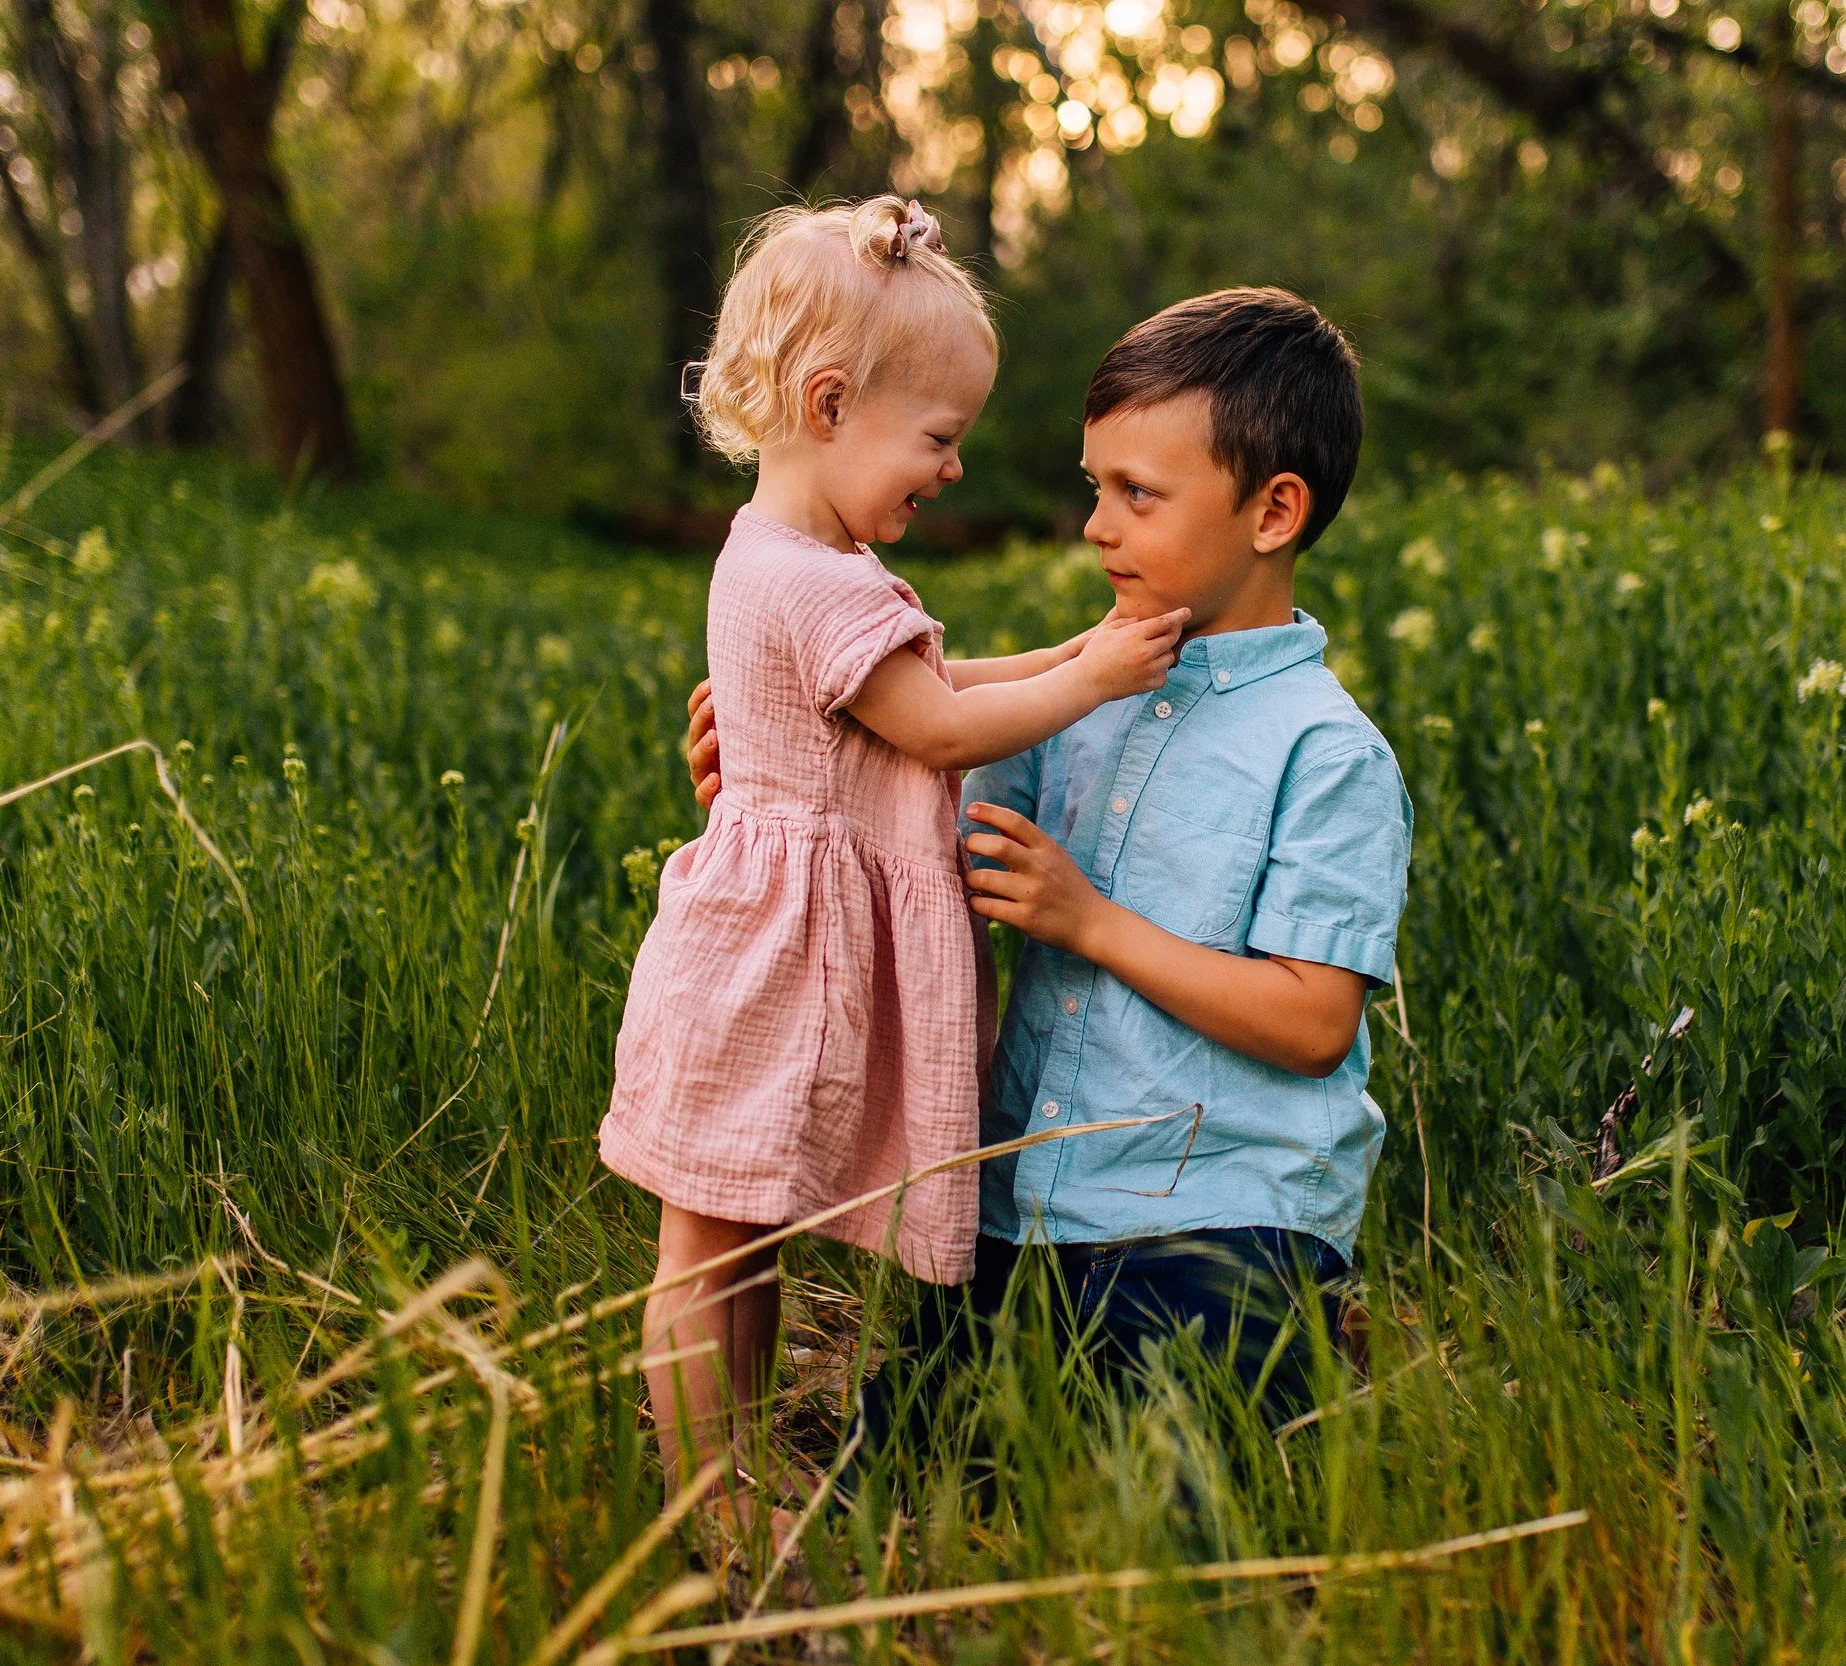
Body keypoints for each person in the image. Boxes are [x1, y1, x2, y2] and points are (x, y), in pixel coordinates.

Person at [685, 287, 1412, 1469]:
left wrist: (1089, 921)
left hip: (1223, 1222)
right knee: (895, 1469)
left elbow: (1314, 1020)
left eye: (1138, 494)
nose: (1096, 528)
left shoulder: (1325, 753)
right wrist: (792, 773)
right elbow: (918, 847)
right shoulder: (1069, 703)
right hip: (1028, 1218)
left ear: (1274, 511)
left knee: (1173, 1497)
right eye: (1093, 487)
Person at [601, 195, 1189, 1525]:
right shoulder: (821, 582)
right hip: (770, 960)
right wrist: (1093, 674)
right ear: (827, 405)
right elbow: (933, 724)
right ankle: (714, 1494)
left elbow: (922, 685)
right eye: (937, 439)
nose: (953, 468)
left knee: (730, 1238)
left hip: (757, 941)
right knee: (707, 1247)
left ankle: (731, 1462)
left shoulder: (790, 553)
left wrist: (1060, 658)